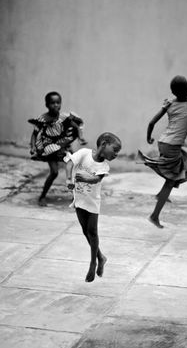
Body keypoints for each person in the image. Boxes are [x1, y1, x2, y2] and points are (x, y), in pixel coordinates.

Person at [138, 75, 187, 228]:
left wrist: (149, 137)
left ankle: (161, 194)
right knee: (172, 180)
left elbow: (151, 122)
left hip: (163, 143)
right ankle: (154, 216)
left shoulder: (169, 104)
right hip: (173, 146)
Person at [65, 132, 122, 282]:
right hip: (79, 197)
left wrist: (85, 178)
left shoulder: (104, 165)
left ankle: (93, 263)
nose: (116, 154)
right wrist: (68, 179)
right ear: (104, 144)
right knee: (85, 231)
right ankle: (101, 257)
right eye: (115, 149)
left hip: (92, 202)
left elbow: (96, 178)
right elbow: (70, 163)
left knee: (93, 233)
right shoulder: (84, 153)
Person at [29, 91, 87, 207]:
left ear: (61, 104)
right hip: (49, 149)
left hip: (63, 147)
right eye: (52, 103)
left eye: (58, 102)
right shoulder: (42, 119)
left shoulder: (64, 117)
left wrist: (81, 138)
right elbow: (35, 134)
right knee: (54, 172)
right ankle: (42, 196)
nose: (55, 105)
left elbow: (77, 127)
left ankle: (75, 197)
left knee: (74, 170)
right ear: (47, 104)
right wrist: (33, 147)